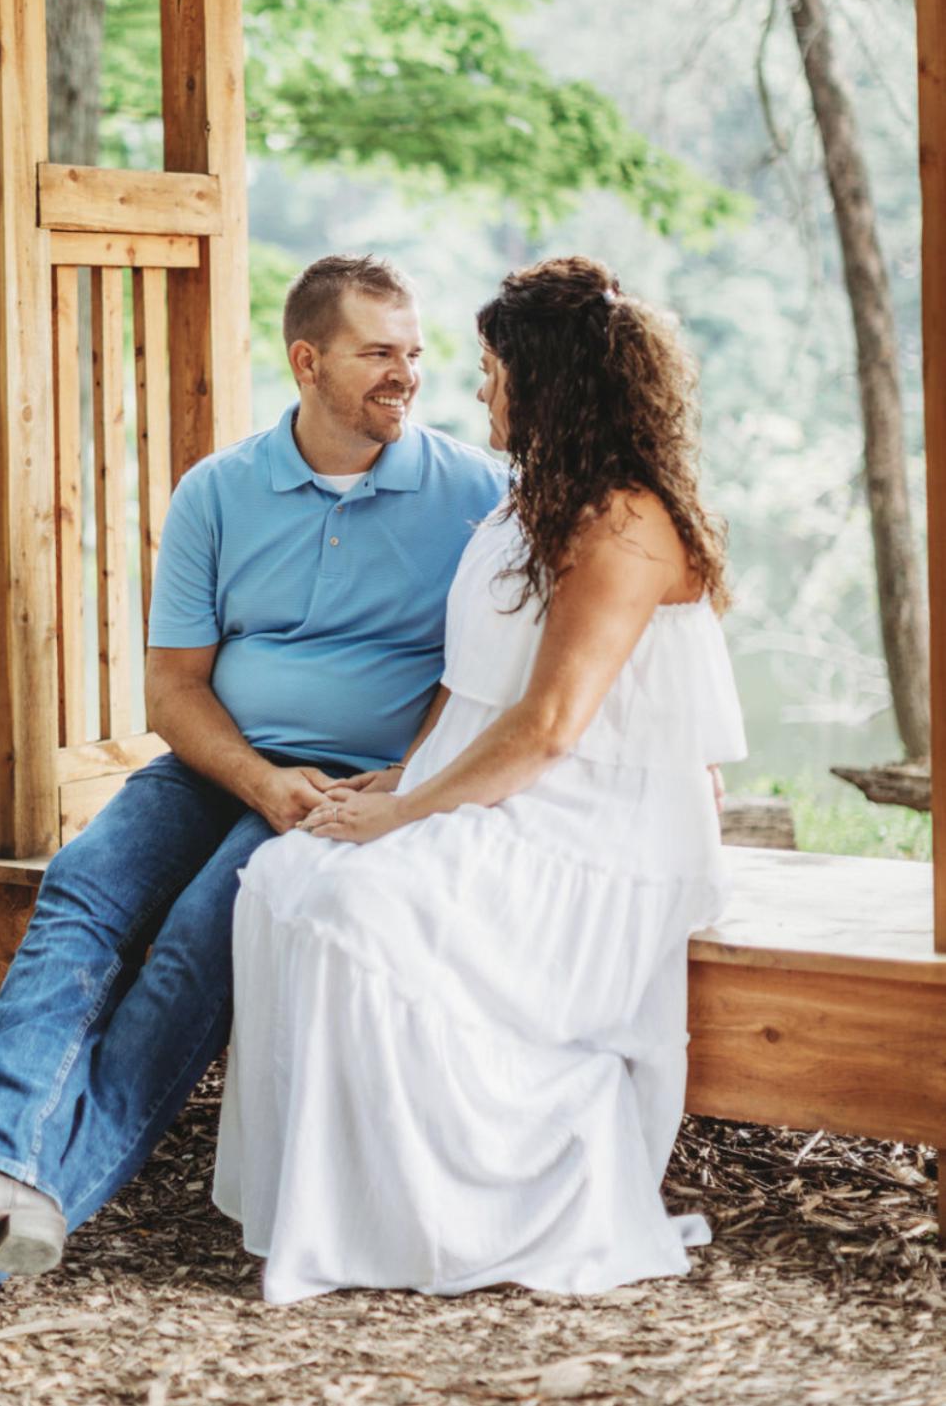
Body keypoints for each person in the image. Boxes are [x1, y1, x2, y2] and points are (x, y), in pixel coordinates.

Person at [0, 254, 503, 1291]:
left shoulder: (477, 495)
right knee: (83, 885)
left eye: (413, 353)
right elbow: (175, 689)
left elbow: (500, 668)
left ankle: (3, 1214)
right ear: (307, 360)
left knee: (199, 937)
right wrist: (258, 780)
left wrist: (404, 777)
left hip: (355, 787)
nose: (405, 375)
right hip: (218, 764)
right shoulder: (220, 491)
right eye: (378, 353)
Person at [214, 257, 746, 1305]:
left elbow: (547, 727)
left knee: (360, 909)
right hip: (503, 792)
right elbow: (470, 692)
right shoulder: (526, 505)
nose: (476, 388)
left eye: (494, 370)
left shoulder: (625, 523)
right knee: (282, 878)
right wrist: (395, 779)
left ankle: (441, 1221)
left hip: (595, 828)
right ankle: (340, 1210)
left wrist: (404, 816)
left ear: (548, 382)